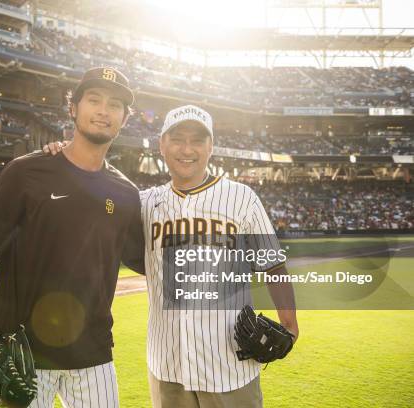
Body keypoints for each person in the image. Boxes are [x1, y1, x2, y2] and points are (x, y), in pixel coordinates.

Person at [45, 105, 299, 408]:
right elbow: (92, 206)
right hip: (168, 369)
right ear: (162, 145)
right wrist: (70, 156)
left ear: (211, 147)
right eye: (177, 139)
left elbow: (273, 263)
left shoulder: (242, 198)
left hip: (230, 366)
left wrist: (290, 323)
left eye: (197, 140)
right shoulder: (143, 203)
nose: (186, 149)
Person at [0, 67, 144, 408]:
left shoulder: (126, 193)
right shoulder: (26, 173)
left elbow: (144, 258)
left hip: (93, 354)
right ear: (73, 108)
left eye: (115, 104)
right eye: (93, 100)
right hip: (21, 355)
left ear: (125, 118)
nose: (103, 110)